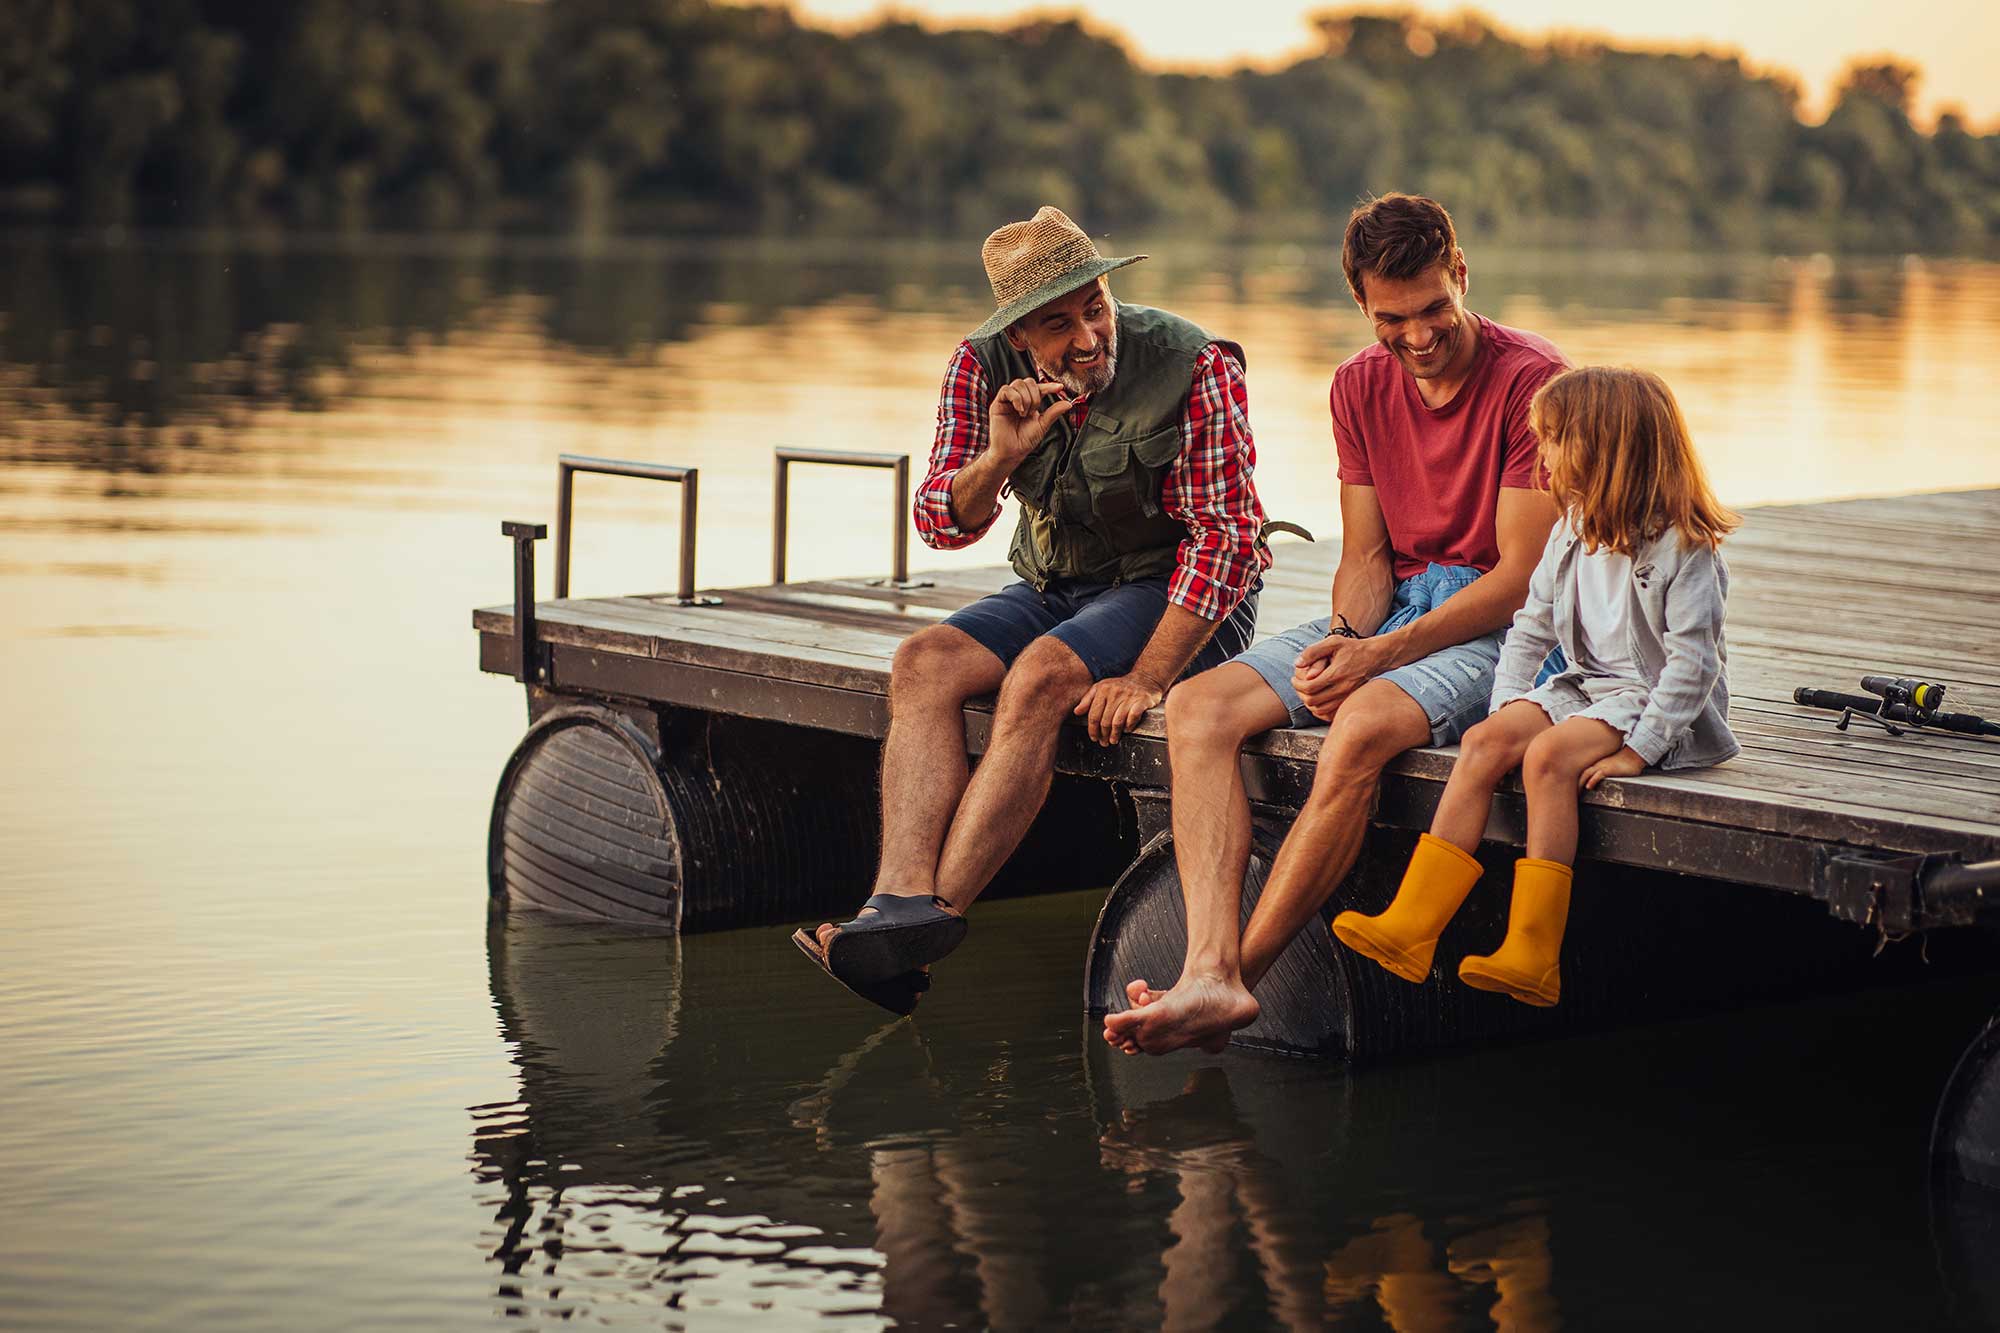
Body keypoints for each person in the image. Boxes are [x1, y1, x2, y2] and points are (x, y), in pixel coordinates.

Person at [1105, 192, 1565, 1056]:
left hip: (1512, 627)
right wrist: (1349, 641)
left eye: (1435, 307)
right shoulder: (1357, 384)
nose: (1419, 336)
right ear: (1361, 303)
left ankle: (1237, 976)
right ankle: (1206, 965)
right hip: (1397, 608)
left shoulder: (1534, 381)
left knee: (1360, 726)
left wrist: (1378, 658)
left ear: (1461, 275)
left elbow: (1519, 581)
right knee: (1197, 709)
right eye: (1394, 318)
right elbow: (1366, 555)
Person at [792, 205, 1269, 1012]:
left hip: (1179, 592)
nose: (1087, 338)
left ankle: (931, 923)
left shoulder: (1194, 363)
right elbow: (942, 519)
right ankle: (896, 908)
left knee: (1042, 676)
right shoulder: (977, 367)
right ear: (1019, 336)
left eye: (1096, 308)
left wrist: (1150, 677)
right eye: (1059, 325)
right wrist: (1000, 455)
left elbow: (1226, 543)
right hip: (1057, 585)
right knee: (923, 663)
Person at [1331, 366, 1741, 1006]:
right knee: (1483, 747)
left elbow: (1692, 668)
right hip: (1585, 687)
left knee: (1546, 759)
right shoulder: (1570, 530)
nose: (1541, 454)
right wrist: (1507, 707)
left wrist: (1642, 749)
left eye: (1552, 439)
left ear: (1599, 448)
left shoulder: (1684, 548)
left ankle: (1533, 951)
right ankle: (1413, 924)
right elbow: (1531, 627)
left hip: (1654, 702)